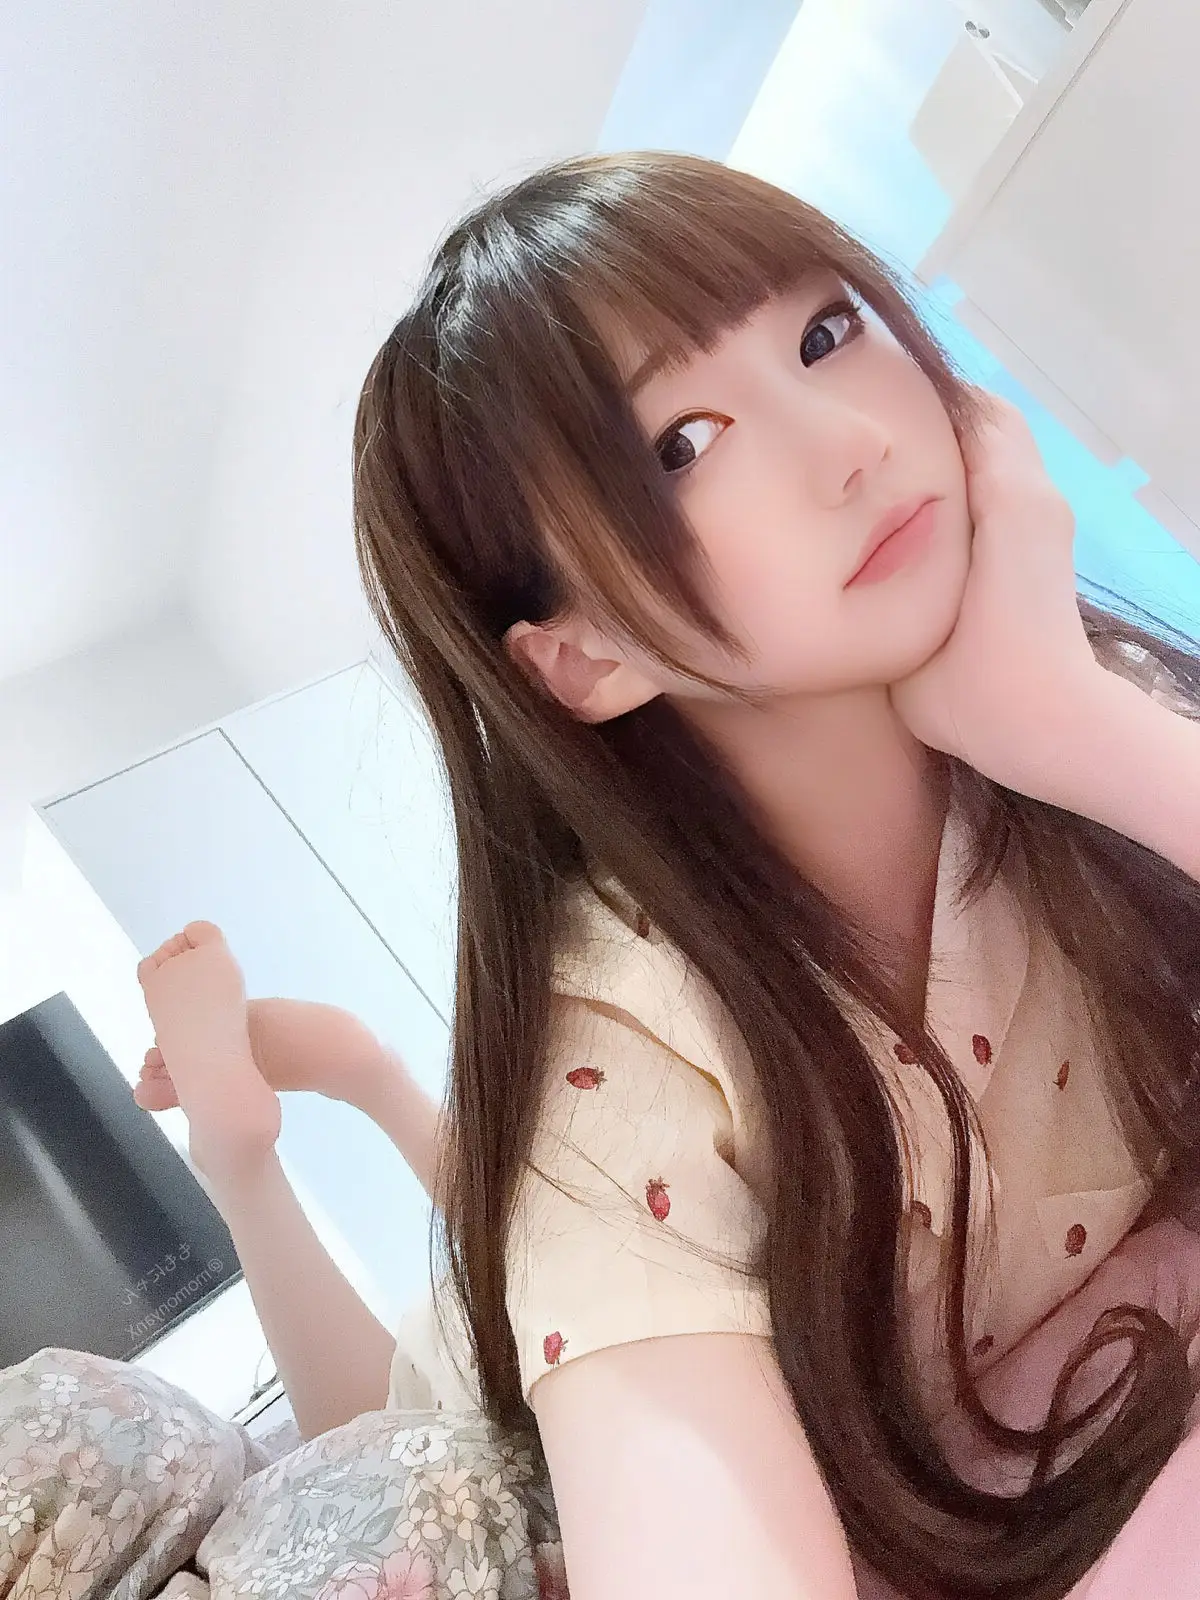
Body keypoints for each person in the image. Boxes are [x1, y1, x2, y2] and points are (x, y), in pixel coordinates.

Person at [130, 150, 1200, 1599]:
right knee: (396, 1463)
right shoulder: (625, 1036)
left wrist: (1075, 728)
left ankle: (371, 1079)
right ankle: (253, 1155)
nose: (849, 442)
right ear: (583, 655)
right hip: (501, 1389)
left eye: (827, 330)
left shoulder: (1091, 710)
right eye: (682, 444)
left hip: (572, 1241)